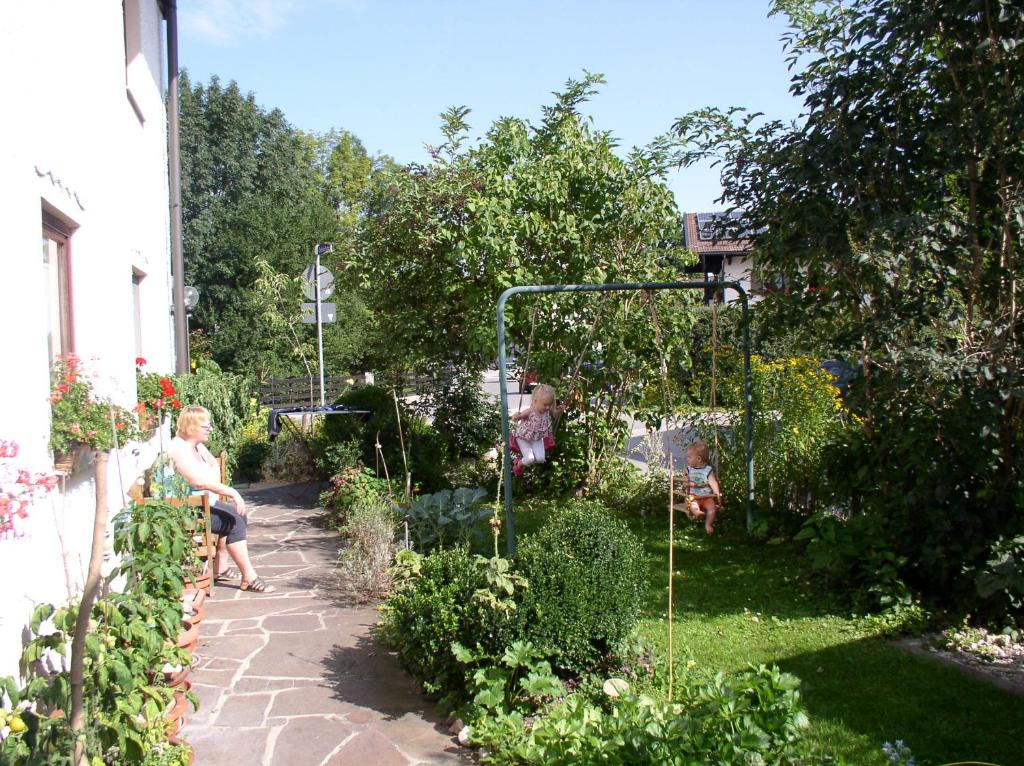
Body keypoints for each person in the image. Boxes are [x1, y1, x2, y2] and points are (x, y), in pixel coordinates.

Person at [167, 405, 275, 593]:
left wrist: (215, 484)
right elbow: (199, 481)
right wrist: (233, 492)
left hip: (203, 503)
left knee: (239, 515)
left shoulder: (196, 446)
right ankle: (249, 577)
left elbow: (212, 467)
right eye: (205, 426)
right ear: (191, 427)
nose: (210, 429)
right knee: (234, 522)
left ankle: (220, 567)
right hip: (186, 510)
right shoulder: (178, 449)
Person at [509, 383, 559, 476]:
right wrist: (515, 416)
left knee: (540, 459)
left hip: (537, 438)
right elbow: (517, 418)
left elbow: (555, 415)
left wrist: (559, 411)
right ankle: (518, 463)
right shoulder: (529, 411)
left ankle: (522, 459)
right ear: (535, 401)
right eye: (545, 404)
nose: (547, 407)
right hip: (523, 438)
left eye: (549, 405)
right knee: (529, 459)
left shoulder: (547, 411)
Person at [680, 439, 723, 535]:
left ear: (699, 459)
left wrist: (717, 495)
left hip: (706, 497)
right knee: (692, 505)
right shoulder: (688, 469)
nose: (687, 459)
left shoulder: (708, 470)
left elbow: (713, 483)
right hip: (694, 496)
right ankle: (697, 513)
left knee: (712, 508)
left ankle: (708, 524)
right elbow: (685, 483)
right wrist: (689, 483)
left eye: (689, 457)